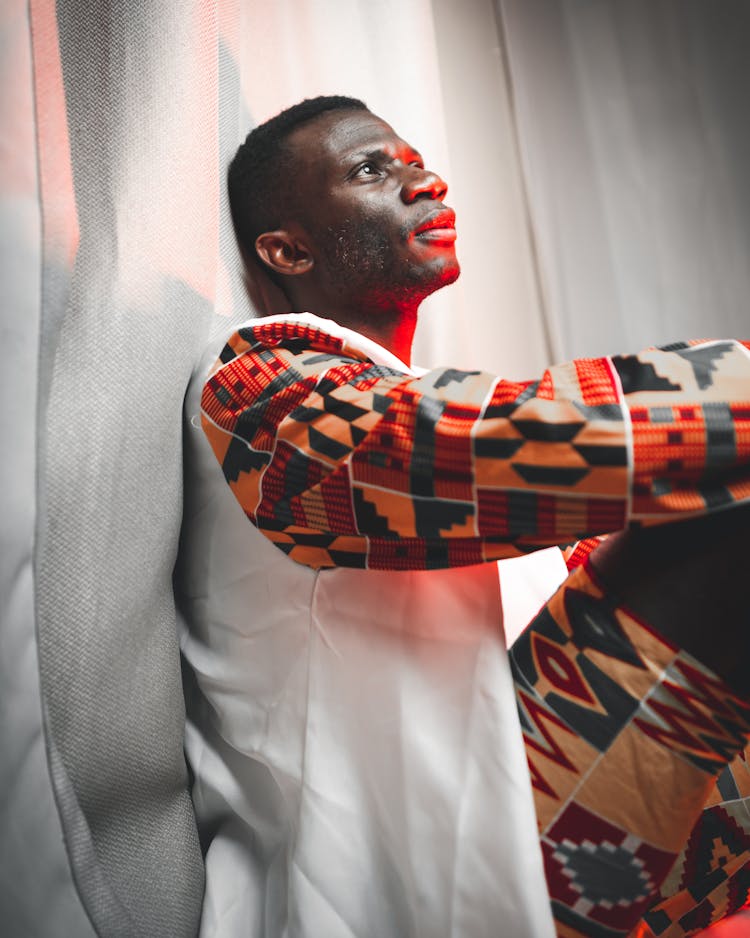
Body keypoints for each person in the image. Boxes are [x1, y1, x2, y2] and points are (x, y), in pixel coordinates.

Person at [179, 95, 750, 938]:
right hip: (428, 884)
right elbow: (513, 444)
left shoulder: (405, 405)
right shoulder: (253, 389)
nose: (427, 181)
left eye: (417, 160)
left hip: (541, 837)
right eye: (375, 169)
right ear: (286, 249)